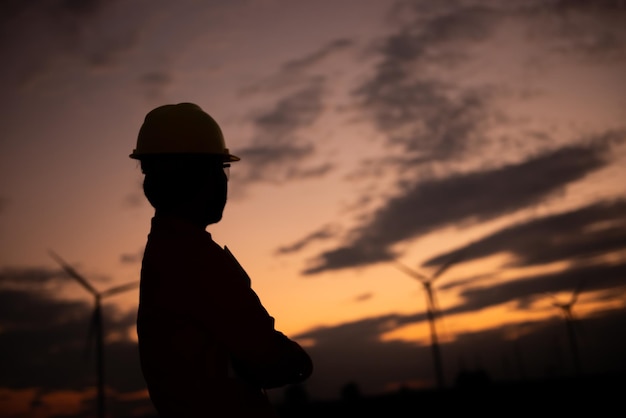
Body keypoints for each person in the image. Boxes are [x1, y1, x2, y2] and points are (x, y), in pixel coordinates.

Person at [130, 103, 313, 417]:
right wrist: (300, 362)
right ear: (197, 177)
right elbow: (268, 359)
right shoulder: (194, 260)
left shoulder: (164, 253)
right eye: (220, 170)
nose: (224, 182)